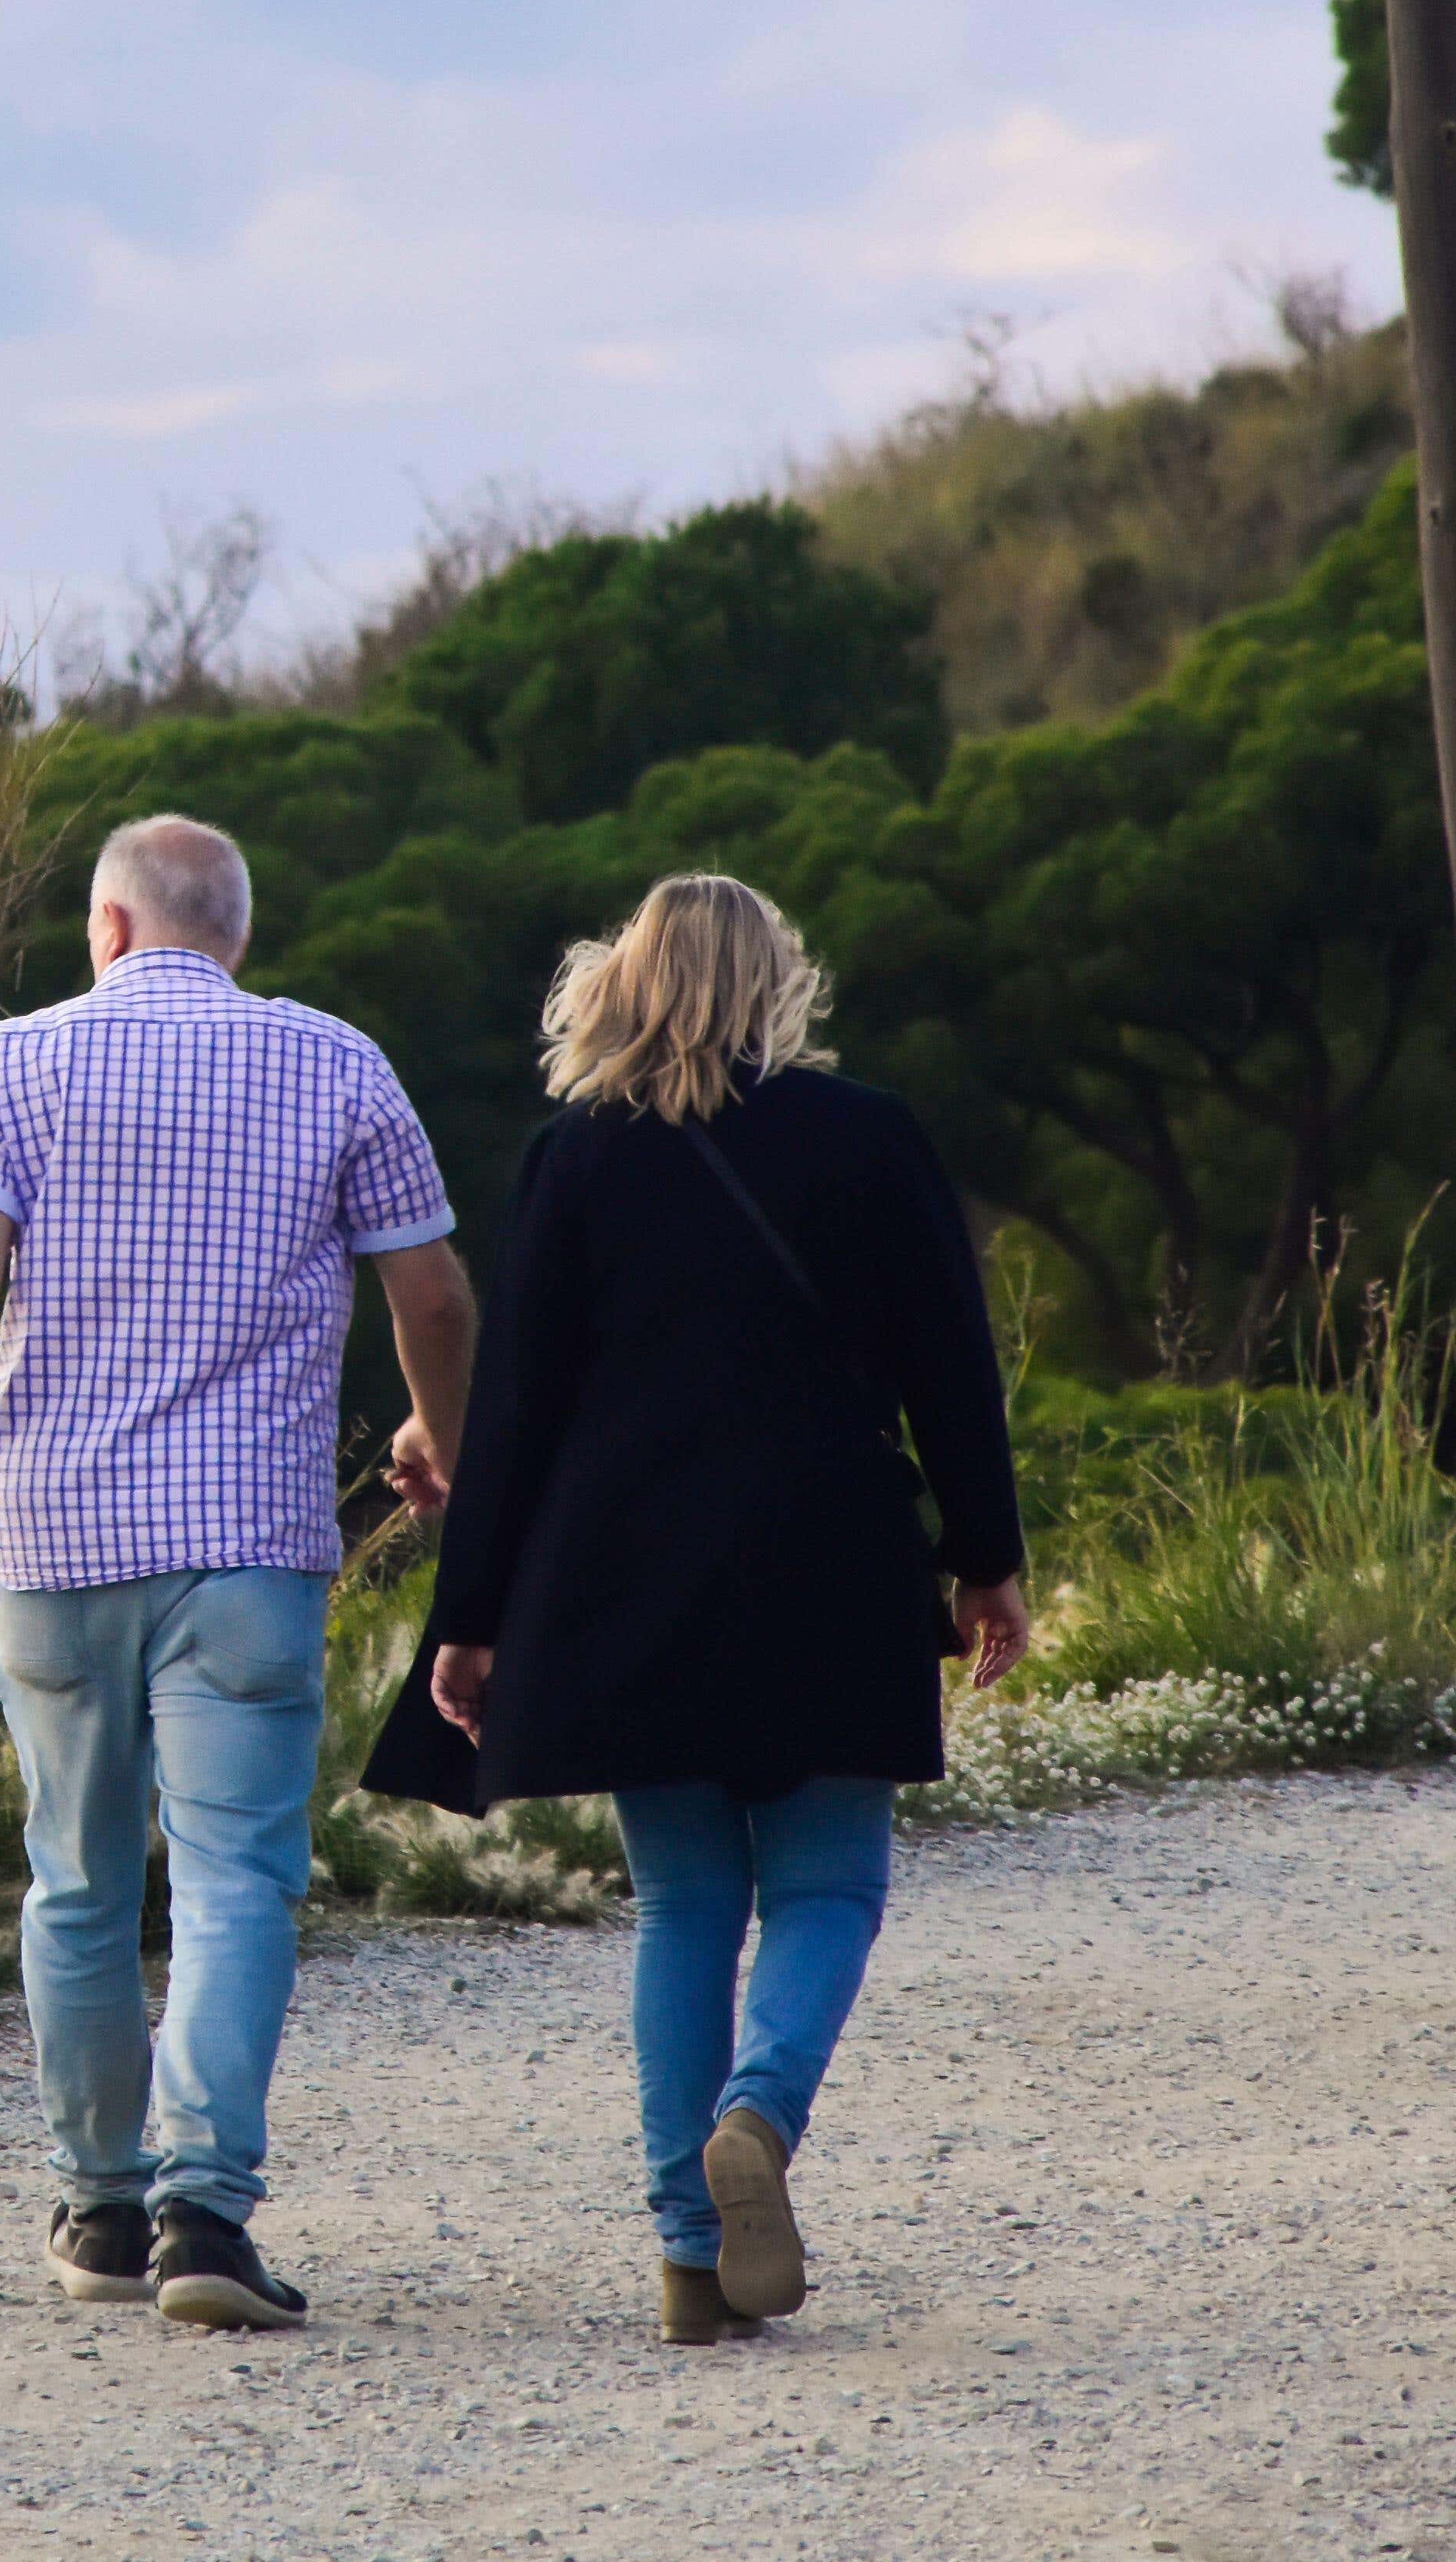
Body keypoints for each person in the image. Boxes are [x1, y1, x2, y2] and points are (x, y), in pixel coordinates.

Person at [359, 873, 1030, 2348]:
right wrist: (988, 1557)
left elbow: (519, 1409)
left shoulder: (578, 1157)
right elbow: (952, 1370)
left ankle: (685, 2257)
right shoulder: (873, 1138)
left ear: (633, 979)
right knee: (831, 1886)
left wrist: (471, 1618)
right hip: (833, 1557)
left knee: (681, 1904)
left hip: (627, 1573)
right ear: (779, 983)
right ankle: (760, 2115)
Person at [0, 812, 477, 2334]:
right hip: (247, 1552)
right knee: (232, 1884)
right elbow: (435, 1289)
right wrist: (444, 1437)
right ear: (237, 937)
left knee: (77, 1878)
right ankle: (203, 2213)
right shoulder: (339, 1060)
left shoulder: (8, 1063)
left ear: (107, 927)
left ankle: (97, 2203)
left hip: (49, 1541)